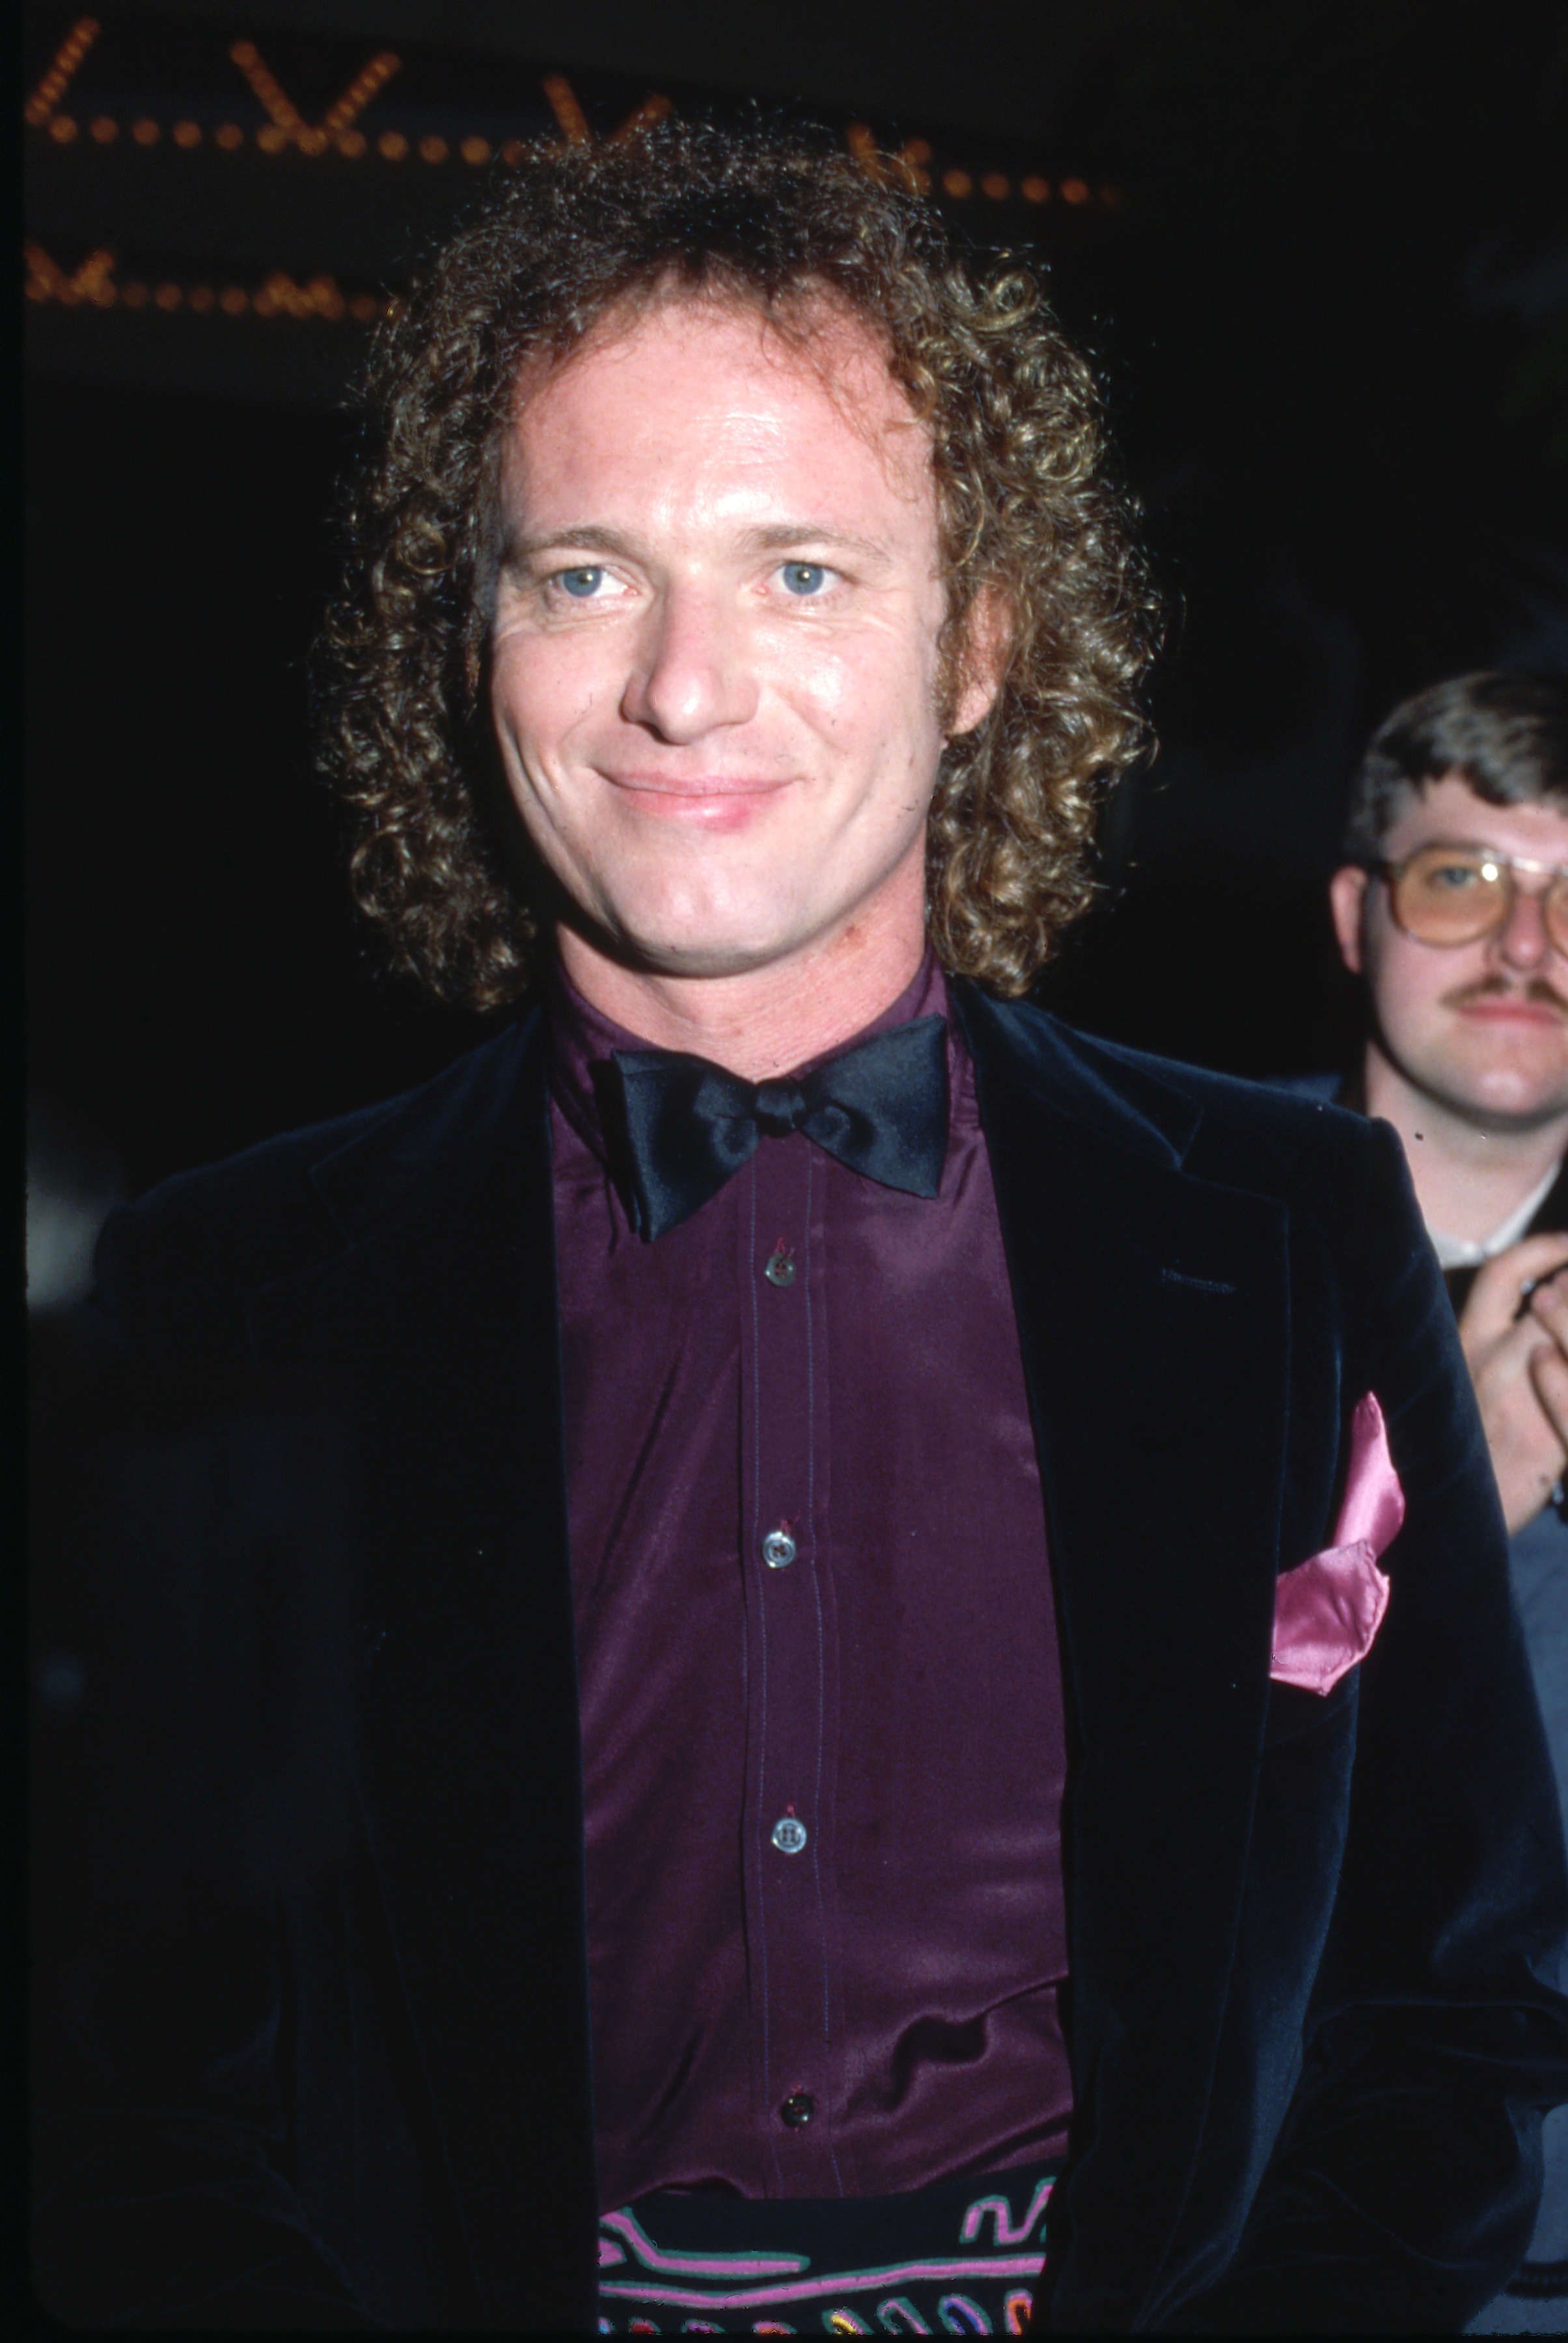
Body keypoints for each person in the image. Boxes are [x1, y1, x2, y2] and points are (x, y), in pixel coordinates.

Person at [31, 126, 1568, 2335]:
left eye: (803, 573)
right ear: (471, 652)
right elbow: (129, 2095)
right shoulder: (231, 1284)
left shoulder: (1294, 1223)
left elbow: (1453, 1995)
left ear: (977, 649)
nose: (680, 686)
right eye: (581, 574)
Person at [1323, 670, 1568, 2324]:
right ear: (1357, 914)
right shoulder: (1164, 1252)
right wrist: (1424, 1514)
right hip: (1278, 2231)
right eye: (1459, 878)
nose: (1525, 946)